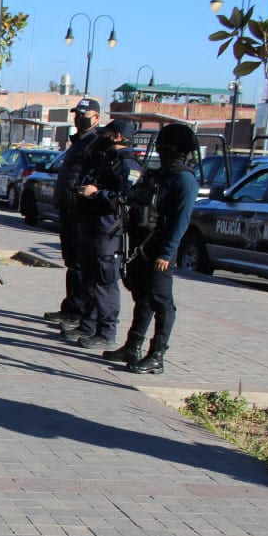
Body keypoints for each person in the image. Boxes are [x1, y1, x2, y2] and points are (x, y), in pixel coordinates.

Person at [104, 122, 199, 374]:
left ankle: (157, 355)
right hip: (142, 244)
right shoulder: (160, 174)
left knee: (161, 301)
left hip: (161, 249)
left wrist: (167, 253)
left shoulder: (184, 180)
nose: (159, 150)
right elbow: (136, 197)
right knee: (143, 296)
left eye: (164, 146)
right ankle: (133, 346)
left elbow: (181, 220)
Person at [62, 119, 142, 349]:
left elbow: (127, 198)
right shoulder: (106, 158)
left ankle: (106, 331)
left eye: (106, 133)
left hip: (108, 231)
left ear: (117, 136)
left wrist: (97, 194)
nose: (101, 136)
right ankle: (89, 325)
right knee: (89, 278)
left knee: (104, 281)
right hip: (92, 225)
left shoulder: (128, 164)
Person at [44, 97, 102, 326]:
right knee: (72, 263)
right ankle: (71, 306)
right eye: (77, 114)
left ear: (96, 118)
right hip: (69, 210)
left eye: (84, 115)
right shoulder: (79, 142)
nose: (78, 118)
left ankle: (79, 311)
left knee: (80, 264)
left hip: (82, 212)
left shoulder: (95, 143)